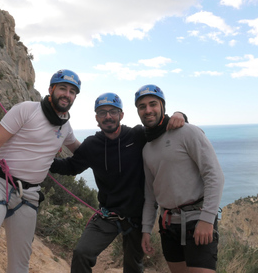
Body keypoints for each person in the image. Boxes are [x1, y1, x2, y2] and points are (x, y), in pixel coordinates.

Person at [0, 69, 82, 273]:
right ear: (51, 89)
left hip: (29, 194)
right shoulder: (27, 110)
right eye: (62, 88)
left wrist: (105, 151)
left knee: (21, 257)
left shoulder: (65, 128)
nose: (67, 94)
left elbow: (80, 151)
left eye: (72, 91)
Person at [49, 92, 186, 273]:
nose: (108, 116)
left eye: (113, 111)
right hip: (108, 215)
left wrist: (180, 115)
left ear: (121, 115)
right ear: (96, 119)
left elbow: (162, 126)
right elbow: (70, 166)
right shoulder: (92, 145)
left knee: (133, 266)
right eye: (102, 112)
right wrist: (42, 160)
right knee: (82, 253)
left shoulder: (138, 135)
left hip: (137, 217)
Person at [135, 85, 224, 273]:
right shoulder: (147, 148)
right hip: (168, 225)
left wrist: (207, 219)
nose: (148, 110)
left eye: (153, 104)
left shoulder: (187, 132)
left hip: (197, 220)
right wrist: (146, 229)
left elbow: (214, 175)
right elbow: (150, 195)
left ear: (162, 107)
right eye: (142, 106)